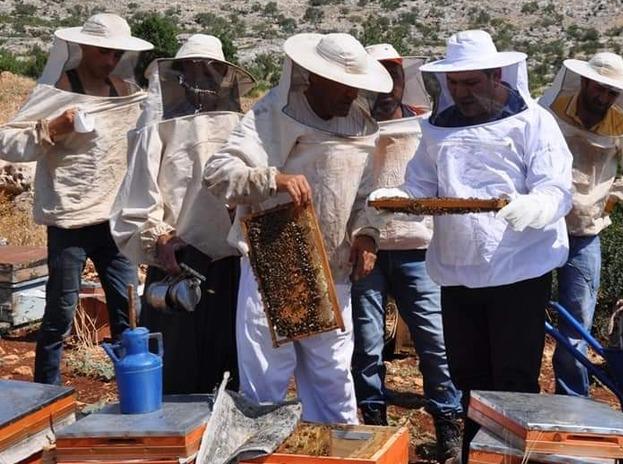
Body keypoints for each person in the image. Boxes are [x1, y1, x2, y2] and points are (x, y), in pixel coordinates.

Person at [369, 30, 572, 462]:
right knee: (469, 380)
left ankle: (515, 458)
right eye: (453, 84)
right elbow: (421, 186)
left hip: (519, 269)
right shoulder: (435, 129)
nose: (460, 93)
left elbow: (556, 188)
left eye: (471, 83)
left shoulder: (533, 121)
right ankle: (474, 456)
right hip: (458, 270)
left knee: (513, 380)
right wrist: (400, 202)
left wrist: (533, 207)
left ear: (496, 74)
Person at [203, 33, 391, 424]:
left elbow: (365, 194)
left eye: (355, 84)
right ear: (315, 77)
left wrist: (368, 234)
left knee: (335, 383)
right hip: (274, 266)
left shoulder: (361, 123)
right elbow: (219, 172)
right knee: (265, 384)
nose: (350, 93)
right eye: (342, 84)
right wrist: (274, 179)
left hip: (334, 270)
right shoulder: (274, 112)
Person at [0, 14, 152, 385]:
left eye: (118, 53)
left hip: (116, 221)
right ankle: (44, 401)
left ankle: (133, 400)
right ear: (83, 47)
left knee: (128, 315)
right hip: (69, 222)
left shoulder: (127, 94)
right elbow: (8, 141)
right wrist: (54, 127)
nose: (111, 60)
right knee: (58, 316)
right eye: (105, 51)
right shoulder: (58, 90)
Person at [110, 34, 255, 394]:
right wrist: (158, 237)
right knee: (176, 374)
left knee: (230, 373)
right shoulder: (155, 122)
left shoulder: (241, 124)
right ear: (177, 72)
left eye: (210, 69)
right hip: (178, 261)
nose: (200, 76)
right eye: (191, 68)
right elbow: (139, 191)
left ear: (223, 74)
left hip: (231, 263)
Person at [351, 43, 462, 461]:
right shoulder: (352, 128)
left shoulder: (424, 125)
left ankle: (449, 425)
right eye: (378, 76)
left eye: (393, 75)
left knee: (435, 343)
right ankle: (376, 430)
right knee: (366, 346)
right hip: (367, 251)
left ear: (403, 79)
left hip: (419, 249)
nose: (387, 85)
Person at [538, 53, 623, 396]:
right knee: (527, 317)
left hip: (585, 234)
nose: (604, 98)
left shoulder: (622, 125)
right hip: (539, 230)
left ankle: (572, 396)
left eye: (611, 93)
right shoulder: (548, 112)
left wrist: (611, 195)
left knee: (577, 320)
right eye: (599, 89)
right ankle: (522, 396)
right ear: (585, 82)